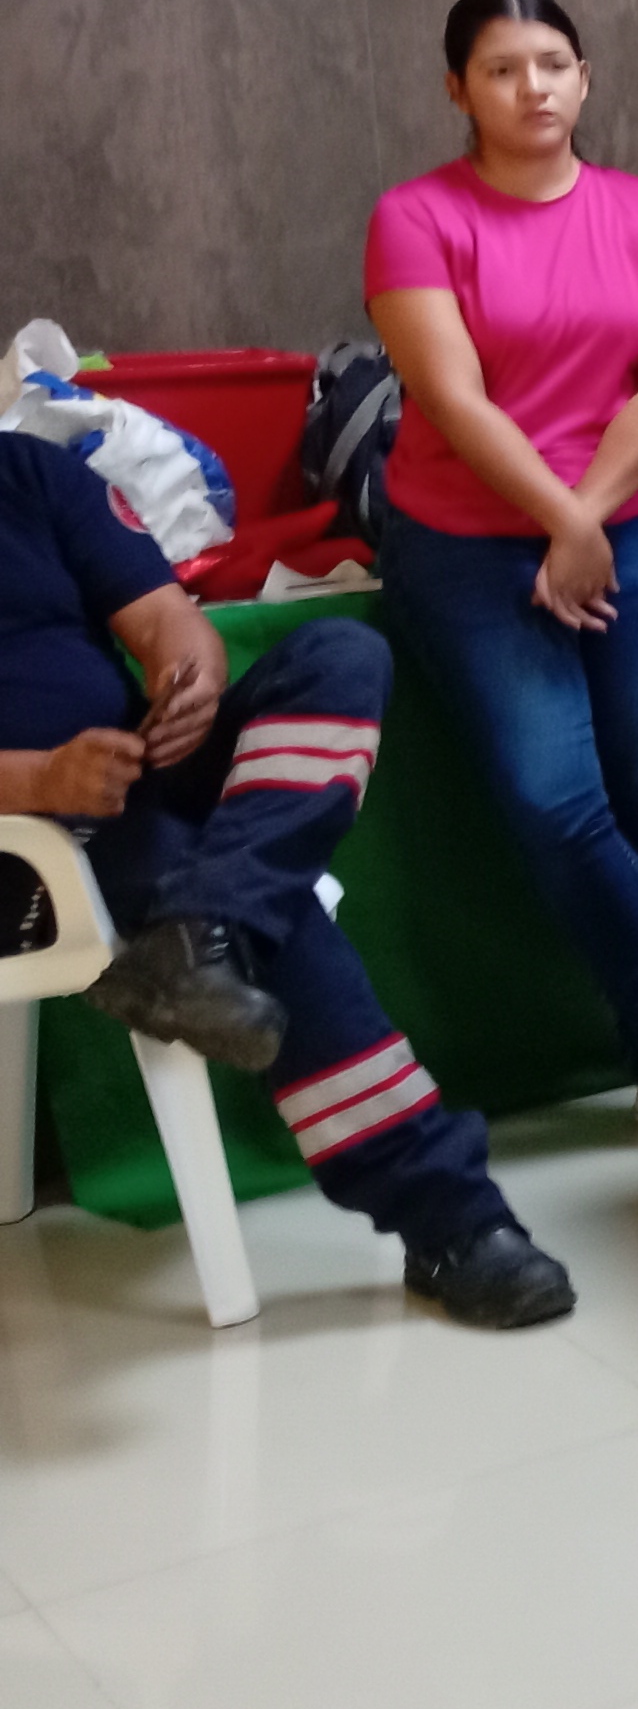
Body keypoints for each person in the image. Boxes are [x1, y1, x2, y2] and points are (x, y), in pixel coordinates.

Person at [0, 435, 571, 1324]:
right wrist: (39, 780)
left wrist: (188, 680)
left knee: (340, 656)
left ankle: (202, 928)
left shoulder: (29, 472)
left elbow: (164, 617)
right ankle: (454, 1220)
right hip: (22, 838)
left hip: (130, 773)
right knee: (266, 909)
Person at [364, 0, 638, 1156]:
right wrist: (558, 519)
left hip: (629, 528)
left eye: (552, 62)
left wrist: (582, 519)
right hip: (463, 541)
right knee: (556, 797)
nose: (531, 86)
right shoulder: (415, 216)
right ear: (458, 89)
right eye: (501, 68)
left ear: (584, 77)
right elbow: (451, 396)